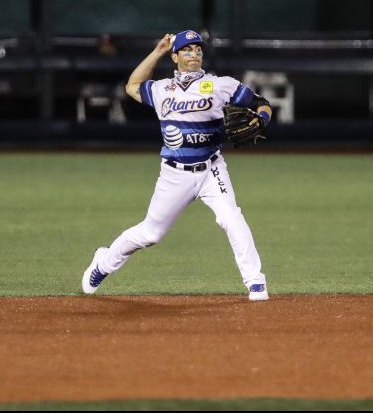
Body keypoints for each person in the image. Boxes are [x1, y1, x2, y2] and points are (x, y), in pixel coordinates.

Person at [81, 30, 272, 301]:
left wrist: (263, 119)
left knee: (231, 217)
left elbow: (261, 104)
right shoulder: (161, 89)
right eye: (186, 49)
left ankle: (256, 283)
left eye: (198, 49)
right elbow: (132, 86)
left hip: (211, 168)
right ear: (175, 56)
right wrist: (156, 51)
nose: (194, 54)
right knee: (150, 233)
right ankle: (102, 263)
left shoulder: (221, 85)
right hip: (174, 174)